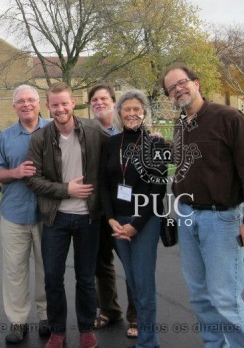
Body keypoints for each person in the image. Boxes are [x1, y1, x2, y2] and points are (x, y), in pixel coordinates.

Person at [160, 63, 244, 348]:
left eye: (181, 83)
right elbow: (189, 159)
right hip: (187, 216)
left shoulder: (228, 118)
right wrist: (165, 145)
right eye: (171, 88)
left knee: (225, 298)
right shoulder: (181, 124)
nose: (178, 90)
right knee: (199, 296)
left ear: (196, 83)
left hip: (221, 220)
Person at [26, 82, 108, 348]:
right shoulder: (40, 138)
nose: (60, 109)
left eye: (64, 103)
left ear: (73, 102)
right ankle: (57, 331)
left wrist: (149, 138)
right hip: (56, 217)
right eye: (55, 105)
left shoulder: (93, 130)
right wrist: (66, 189)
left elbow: (118, 148)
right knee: (52, 278)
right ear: (47, 107)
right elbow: (33, 180)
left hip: (88, 216)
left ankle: (86, 328)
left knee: (86, 277)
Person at [98, 89, 165, 348]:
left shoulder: (155, 144)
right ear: (119, 113)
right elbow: (104, 184)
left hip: (144, 222)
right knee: (133, 279)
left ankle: (148, 340)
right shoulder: (110, 144)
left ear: (144, 112)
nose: (132, 113)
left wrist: (136, 225)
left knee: (143, 281)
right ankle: (146, 335)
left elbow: (158, 190)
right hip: (118, 222)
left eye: (137, 109)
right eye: (127, 109)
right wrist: (110, 218)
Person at [0, 85, 51, 343]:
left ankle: (47, 316)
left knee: (47, 268)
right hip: (14, 213)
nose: (26, 105)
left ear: (39, 103)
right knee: (15, 270)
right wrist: (15, 173)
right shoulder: (5, 137)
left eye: (30, 100)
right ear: (14, 107)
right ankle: (17, 321)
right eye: (21, 101)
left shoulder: (53, 130)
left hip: (47, 213)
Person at [88, 84, 137, 338]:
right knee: (102, 262)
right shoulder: (87, 131)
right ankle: (109, 309)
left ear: (113, 102)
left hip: (125, 208)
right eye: (94, 99)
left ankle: (136, 316)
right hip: (98, 208)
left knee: (131, 264)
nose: (99, 102)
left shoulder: (128, 129)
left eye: (103, 98)